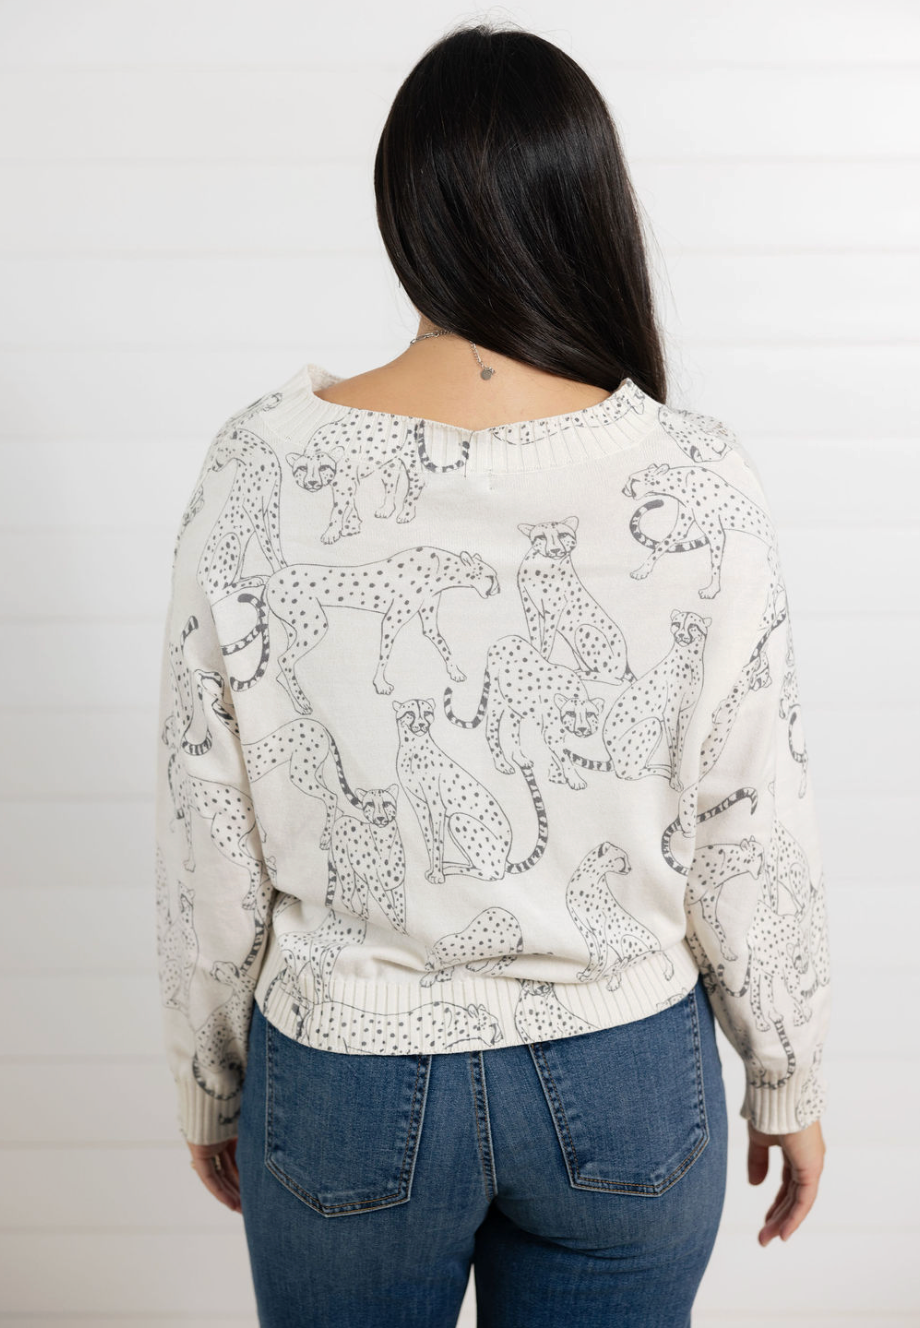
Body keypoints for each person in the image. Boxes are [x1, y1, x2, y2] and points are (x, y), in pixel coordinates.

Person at [154, 20, 831, 1327]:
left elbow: (206, 816)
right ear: (589, 205)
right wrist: (786, 1071)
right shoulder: (696, 475)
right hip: (627, 1078)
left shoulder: (261, 468)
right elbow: (753, 812)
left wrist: (209, 1073)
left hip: (348, 1079)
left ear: (400, 210)